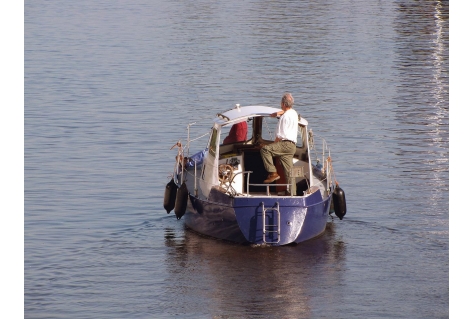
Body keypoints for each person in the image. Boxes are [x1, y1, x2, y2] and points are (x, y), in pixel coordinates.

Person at [260, 93, 298, 192]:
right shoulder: (294, 113)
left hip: (284, 144)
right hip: (292, 146)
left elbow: (279, 136)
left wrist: (272, 145)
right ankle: (292, 193)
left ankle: (273, 173)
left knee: (265, 150)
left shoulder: (284, 118)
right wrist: (277, 113)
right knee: (290, 172)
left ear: (282, 104)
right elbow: (286, 111)